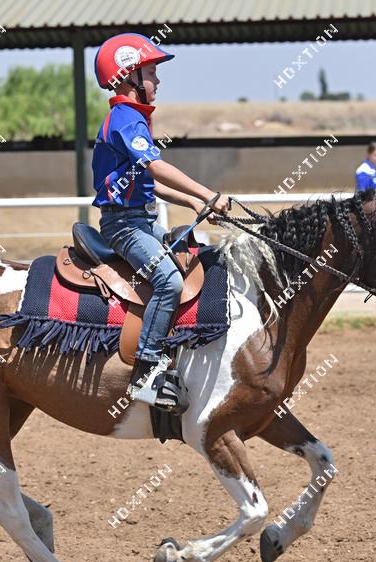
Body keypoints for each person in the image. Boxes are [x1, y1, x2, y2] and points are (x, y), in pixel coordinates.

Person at [92, 33, 231, 413]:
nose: (158, 80)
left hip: (140, 220)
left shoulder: (132, 118)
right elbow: (155, 166)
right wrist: (207, 193)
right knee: (168, 281)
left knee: (196, 255)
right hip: (125, 227)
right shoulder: (125, 118)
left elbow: (147, 182)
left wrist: (193, 202)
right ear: (129, 77)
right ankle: (147, 370)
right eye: (151, 72)